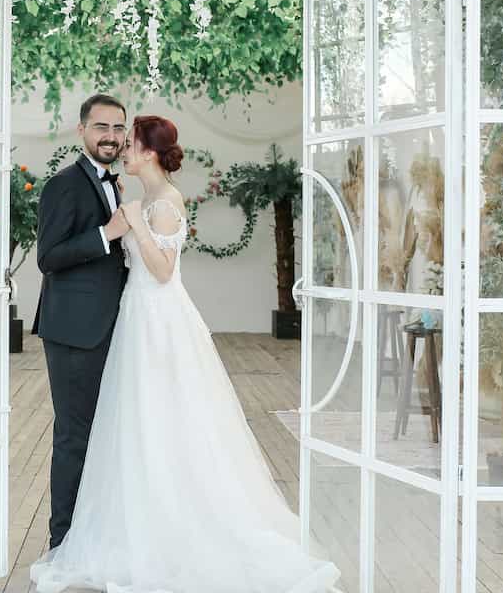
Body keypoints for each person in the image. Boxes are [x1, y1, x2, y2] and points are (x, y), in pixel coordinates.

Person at [31, 113, 340, 593]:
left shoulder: (162, 203)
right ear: (83, 131)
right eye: (113, 135)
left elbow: (161, 270)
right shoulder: (137, 197)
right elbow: (59, 254)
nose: (123, 147)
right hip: (131, 319)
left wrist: (131, 224)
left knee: (161, 423)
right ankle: (116, 526)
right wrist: (126, 224)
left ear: (149, 152)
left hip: (155, 318)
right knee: (133, 424)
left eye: (129, 140)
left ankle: (168, 529)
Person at [31, 93, 131, 550]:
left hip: (112, 328)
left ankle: (94, 533)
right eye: (101, 128)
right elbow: (48, 258)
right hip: (74, 331)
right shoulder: (65, 184)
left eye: (117, 128)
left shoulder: (117, 183)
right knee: (74, 435)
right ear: (82, 131)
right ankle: (62, 543)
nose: (110, 137)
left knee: (106, 431)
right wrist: (106, 234)